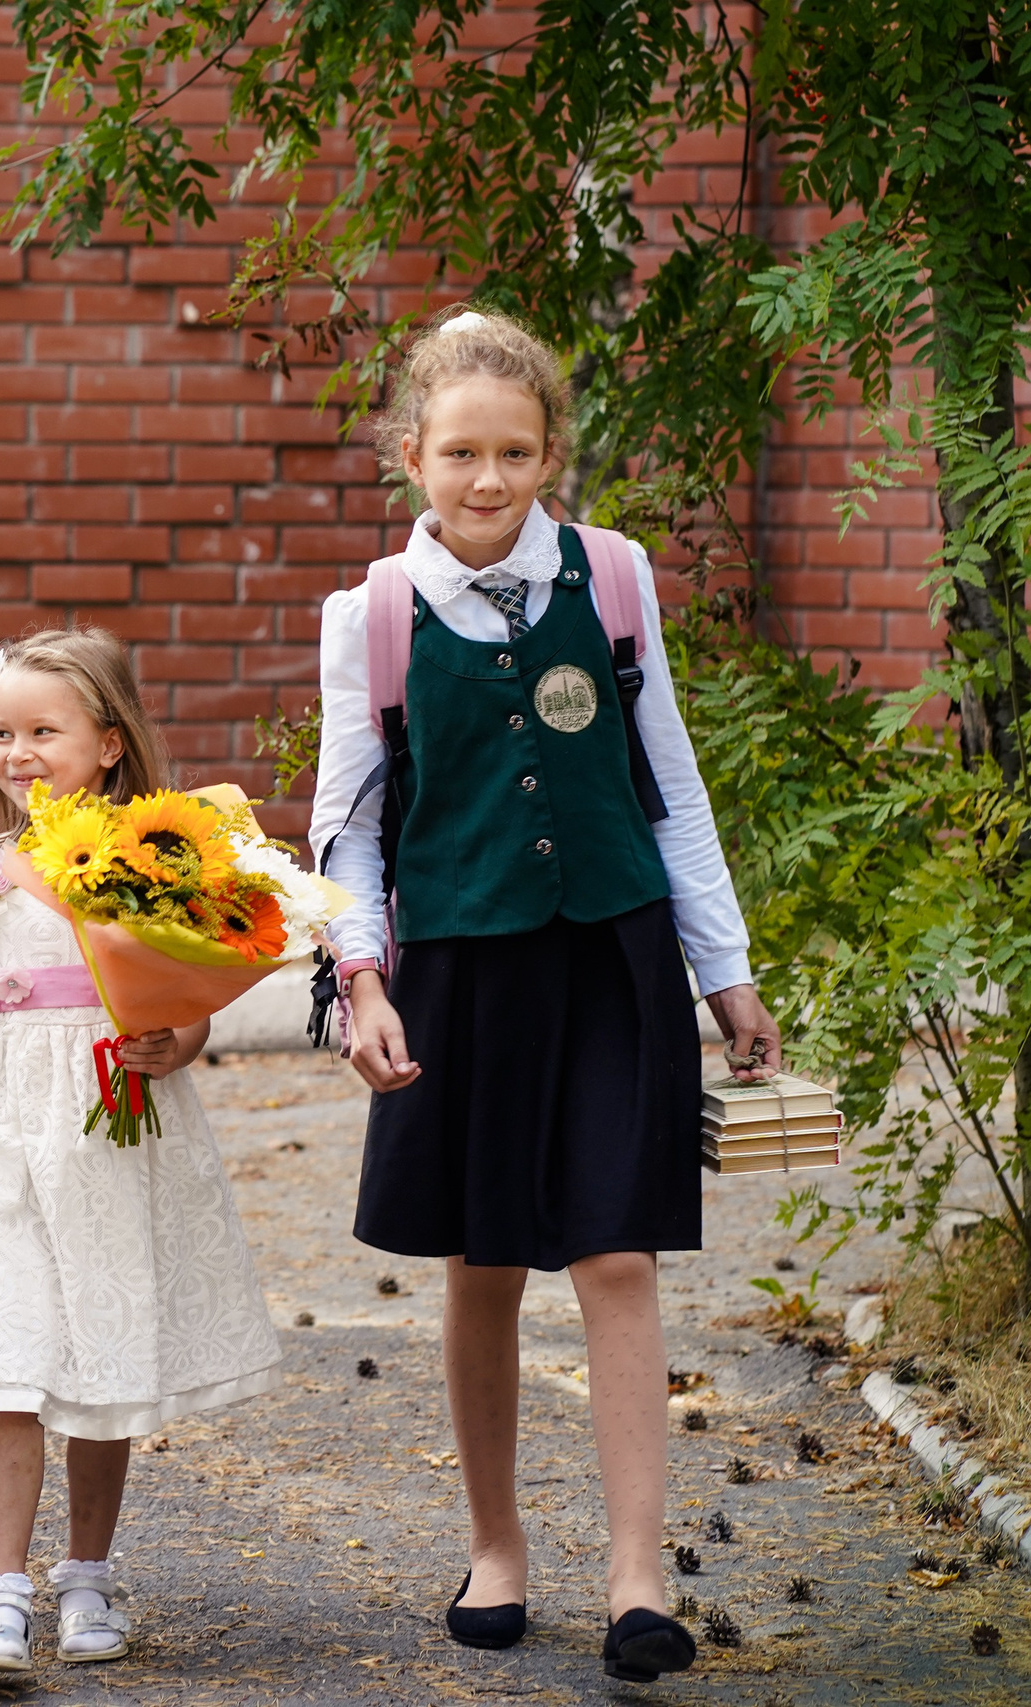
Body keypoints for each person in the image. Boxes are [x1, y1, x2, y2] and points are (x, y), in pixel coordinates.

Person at [308, 306, 784, 1685]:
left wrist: (726, 969)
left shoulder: (615, 579)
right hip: (457, 964)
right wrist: (360, 977)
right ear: (412, 454)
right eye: (462, 451)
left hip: (608, 954)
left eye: (516, 451)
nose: (489, 478)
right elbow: (346, 824)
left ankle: (639, 1572)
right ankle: (498, 1543)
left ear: (551, 453)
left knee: (618, 1249)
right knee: (485, 1258)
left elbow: (671, 789)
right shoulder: (376, 616)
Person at [0, 628, 283, 1673]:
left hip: (106, 1123)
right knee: (8, 1359)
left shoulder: (155, 861)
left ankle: (85, 1574)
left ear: (108, 745)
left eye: (41, 731)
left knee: (95, 1361)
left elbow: (187, 998)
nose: (15, 753)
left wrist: (179, 1039)